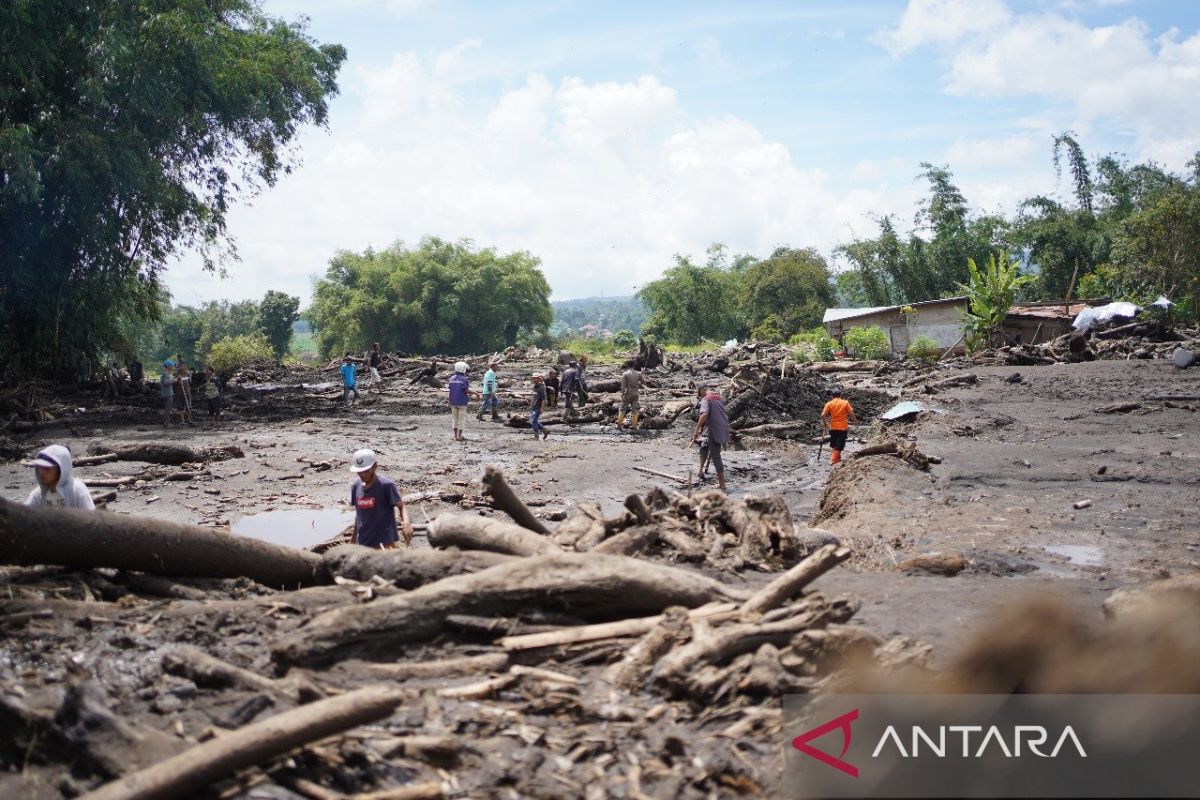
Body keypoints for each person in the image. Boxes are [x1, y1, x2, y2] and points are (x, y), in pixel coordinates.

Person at [348, 448, 413, 549]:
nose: (362, 474)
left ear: (375, 466)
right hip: (362, 544)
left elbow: (401, 506)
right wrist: (352, 543)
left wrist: (406, 523)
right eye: (359, 471)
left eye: (366, 471)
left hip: (384, 544)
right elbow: (359, 517)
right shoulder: (356, 486)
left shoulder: (386, 485)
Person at [24, 445, 95, 510]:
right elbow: (22, 516)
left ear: (61, 469)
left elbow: (92, 519)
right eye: (40, 467)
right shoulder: (37, 494)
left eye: (47, 468)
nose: (42, 472)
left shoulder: (77, 490)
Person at [691, 385, 730, 491]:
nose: (700, 397)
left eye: (700, 395)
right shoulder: (720, 397)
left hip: (714, 427)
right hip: (723, 426)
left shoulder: (705, 399)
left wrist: (696, 430)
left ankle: (722, 484)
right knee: (705, 445)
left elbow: (704, 415)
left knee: (715, 454)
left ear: (702, 391)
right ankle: (701, 471)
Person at [820, 388, 857, 465]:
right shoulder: (845, 403)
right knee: (839, 444)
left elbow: (823, 415)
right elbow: (851, 414)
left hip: (833, 427)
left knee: (834, 444)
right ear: (840, 395)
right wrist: (855, 421)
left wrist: (825, 423)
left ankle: (838, 459)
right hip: (842, 427)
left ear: (832, 396)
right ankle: (833, 460)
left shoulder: (829, 403)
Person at [447, 361, 480, 441]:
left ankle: (455, 436)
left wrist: (449, 400)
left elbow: (450, 391)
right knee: (461, 420)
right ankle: (459, 436)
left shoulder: (451, 379)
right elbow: (466, 391)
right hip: (462, 402)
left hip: (453, 402)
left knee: (454, 419)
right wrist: (476, 393)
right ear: (463, 369)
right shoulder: (464, 379)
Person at [617, 359, 643, 429]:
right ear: (634, 365)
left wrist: (621, 394)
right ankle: (634, 425)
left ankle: (619, 425)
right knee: (635, 410)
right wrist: (642, 373)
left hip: (628, 393)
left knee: (623, 409)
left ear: (627, 365)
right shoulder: (638, 373)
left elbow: (623, 386)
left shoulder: (625, 374)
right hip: (635, 394)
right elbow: (644, 382)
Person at [202, 365, 223, 430]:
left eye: (207, 370)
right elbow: (205, 387)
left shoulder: (215, 378)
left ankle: (218, 422)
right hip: (209, 396)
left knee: (217, 409)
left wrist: (217, 393)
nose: (206, 372)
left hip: (215, 396)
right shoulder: (206, 379)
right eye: (206, 371)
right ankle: (212, 422)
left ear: (211, 371)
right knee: (210, 409)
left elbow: (219, 387)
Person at [175, 360, 195, 426]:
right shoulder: (176, 374)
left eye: (182, 366)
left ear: (185, 366)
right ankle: (182, 420)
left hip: (187, 393)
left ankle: (189, 419)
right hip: (179, 393)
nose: (180, 367)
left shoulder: (188, 374)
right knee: (180, 407)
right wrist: (178, 382)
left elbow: (190, 383)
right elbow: (173, 384)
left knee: (188, 406)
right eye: (179, 366)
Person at [530, 373, 548, 440]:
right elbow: (533, 396)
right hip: (533, 406)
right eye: (533, 378)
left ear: (539, 379)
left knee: (533, 421)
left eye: (535, 378)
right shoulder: (534, 386)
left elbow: (544, 399)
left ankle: (536, 436)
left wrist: (542, 408)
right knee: (534, 421)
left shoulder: (541, 387)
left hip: (538, 406)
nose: (534, 379)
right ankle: (544, 430)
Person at [160, 360, 176, 426]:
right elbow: (166, 383)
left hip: (167, 393)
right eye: (171, 365)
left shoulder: (166, 373)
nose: (172, 366)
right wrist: (174, 381)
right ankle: (167, 423)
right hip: (168, 393)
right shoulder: (166, 373)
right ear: (168, 366)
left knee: (167, 408)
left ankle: (165, 422)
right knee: (168, 408)